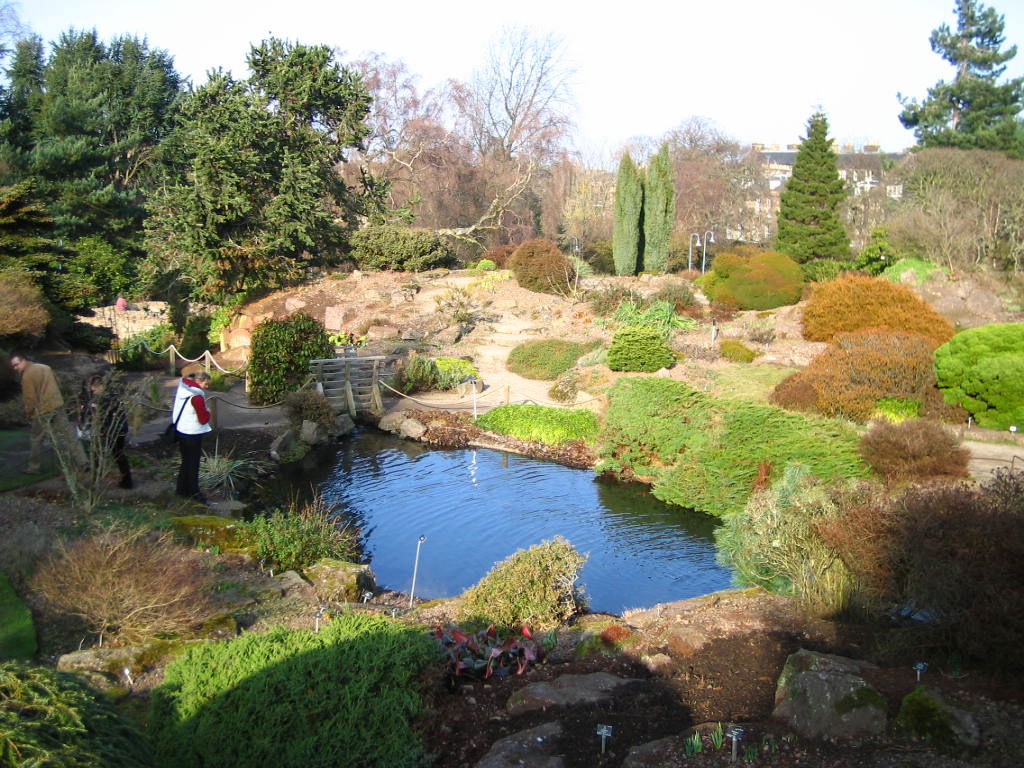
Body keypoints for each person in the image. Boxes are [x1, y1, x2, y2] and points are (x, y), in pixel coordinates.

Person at [10, 351, 86, 475]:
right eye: (14, 366)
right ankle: (83, 462)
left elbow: (30, 398)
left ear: (24, 360)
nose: (15, 368)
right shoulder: (45, 367)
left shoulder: (27, 376)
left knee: (36, 439)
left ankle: (34, 467)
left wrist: (29, 413)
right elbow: (58, 382)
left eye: (16, 364)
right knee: (69, 435)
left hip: (42, 410)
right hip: (57, 405)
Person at [82, 373, 133, 489]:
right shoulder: (113, 396)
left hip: (109, 431)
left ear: (94, 387)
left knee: (97, 456)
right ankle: (127, 482)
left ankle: (94, 484)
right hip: (119, 429)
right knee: (119, 456)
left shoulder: (101, 399)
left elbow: (99, 417)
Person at [172, 369, 212, 504]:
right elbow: (203, 419)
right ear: (199, 382)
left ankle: (181, 489)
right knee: (193, 464)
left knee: (185, 462)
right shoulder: (197, 397)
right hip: (193, 433)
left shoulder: (183, 387)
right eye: (206, 384)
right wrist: (208, 413)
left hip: (181, 430)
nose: (207, 387)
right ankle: (194, 493)